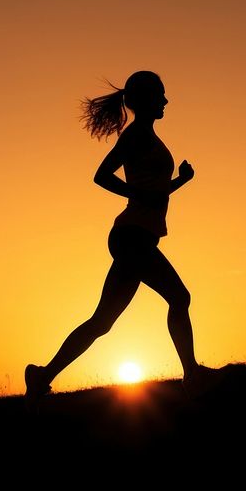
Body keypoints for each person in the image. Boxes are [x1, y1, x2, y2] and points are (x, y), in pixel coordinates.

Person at [25, 70, 217, 400]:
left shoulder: (147, 136)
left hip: (137, 236)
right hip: (133, 237)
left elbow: (153, 192)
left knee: (102, 322)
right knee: (179, 297)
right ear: (146, 100)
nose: (166, 101)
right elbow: (102, 176)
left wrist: (180, 182)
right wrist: (139, 196)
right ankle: (193, 375)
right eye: (161, 95)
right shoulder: (136, 135)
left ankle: (42, 376)